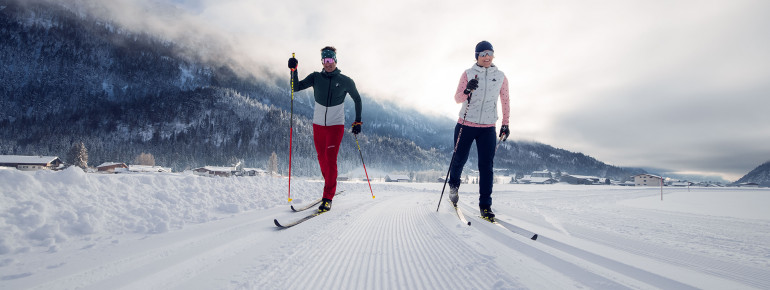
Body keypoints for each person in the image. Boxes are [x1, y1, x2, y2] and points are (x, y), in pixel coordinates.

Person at [288, 46, 363, 213]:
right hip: (318, 125)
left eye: (330, 60)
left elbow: (357, 99)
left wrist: (357, 122)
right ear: (322, 61)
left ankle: (328, 196)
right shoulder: (316, 77)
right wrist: (294, 70)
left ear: (335, 60)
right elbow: (296, 87)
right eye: (325, 60)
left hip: (336, 125)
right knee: (321, 158)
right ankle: (330, 183)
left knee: (330, 159)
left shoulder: (345, 80)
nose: (328, 63)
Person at [448, 40, 510, 221]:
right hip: (466, 124)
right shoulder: (468, 74)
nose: (486, 57)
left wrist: (505, 123)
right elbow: (457, 98)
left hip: (488, 127)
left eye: (489, 53)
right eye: (482, 54)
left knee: (486, 167)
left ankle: (485, 206)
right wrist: (467, 90)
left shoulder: (500, 76)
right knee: (459, 159)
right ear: (477, 56)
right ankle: (453, 187)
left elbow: (505, 101)